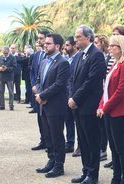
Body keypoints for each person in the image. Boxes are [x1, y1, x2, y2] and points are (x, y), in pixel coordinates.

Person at [69, 25, 106, 184]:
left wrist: (75, 98)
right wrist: (72, 97)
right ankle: (85, 171)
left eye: (78, 37)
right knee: (82, 141)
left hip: (89, 105)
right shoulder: (78, 56)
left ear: (89, 37)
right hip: (78, 106)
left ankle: (93, 175)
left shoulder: (96, 55)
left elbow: (91, 81)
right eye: (75, 37)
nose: (75, 39)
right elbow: (72, 80)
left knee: (92, 141)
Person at [97, 35, 124, 184]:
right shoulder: (115, 64)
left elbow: (121, 91)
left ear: (121, 48)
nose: (110, 48)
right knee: (114, 147)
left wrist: (104, 107)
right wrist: (101, 106)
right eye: (110, 45)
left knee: (121, 148)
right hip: (110, 110)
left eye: (113, 46)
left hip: (120, 111)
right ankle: (116, 177)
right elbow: (106, 88)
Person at [34, 33, 70, 178]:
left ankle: (59, 165)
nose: (45, 45)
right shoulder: (44, 61)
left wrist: (42, 96)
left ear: (57, 46)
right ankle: (51, 160)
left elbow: (60, 84)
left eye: (48, 43)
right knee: (47, 135)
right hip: (43, 105)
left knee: (57, 136)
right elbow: (38, 80)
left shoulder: (63, 63)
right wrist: (38, 92)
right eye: (45, 43)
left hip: (56, 105)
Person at [30, 30, 50, 151]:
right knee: (40, 116)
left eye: (41, 38)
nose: (39, 40)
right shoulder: (37, 55)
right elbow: (32, 71)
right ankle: (43, 140)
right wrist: (34, 86)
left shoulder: (51, 55)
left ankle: (50, 142)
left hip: (47, 92)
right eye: (38, 38)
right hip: (36, 90)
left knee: (49, 118)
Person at [64, 36, 81, 154]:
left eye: (68, 45)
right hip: (66, 93)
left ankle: (80, 145)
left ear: (74, 46)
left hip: (75, 95)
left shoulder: (79, 58)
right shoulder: (66, 59)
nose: (65, 47)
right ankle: (69, 143)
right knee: (68, 119)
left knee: (78, 121)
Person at [94, 34, 110, 161]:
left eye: (97, 43)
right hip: (100, 93)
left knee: (103, 126)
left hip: (105, 93)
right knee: (99, 124)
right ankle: (100, 148)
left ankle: (102, 149)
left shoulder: (107, 57)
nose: (95, 45)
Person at [0, 46, 17, 111]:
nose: (4, 54)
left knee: (11, 92)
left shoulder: (12, 58)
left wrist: (6, 68)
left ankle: (11, 106)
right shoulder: (0, 57)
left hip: (9, 77)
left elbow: (14, 67)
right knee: (1, 92)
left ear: (8, 51)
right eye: (3, 53)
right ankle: (2, 106)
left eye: (6, 53)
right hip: (1, 77)